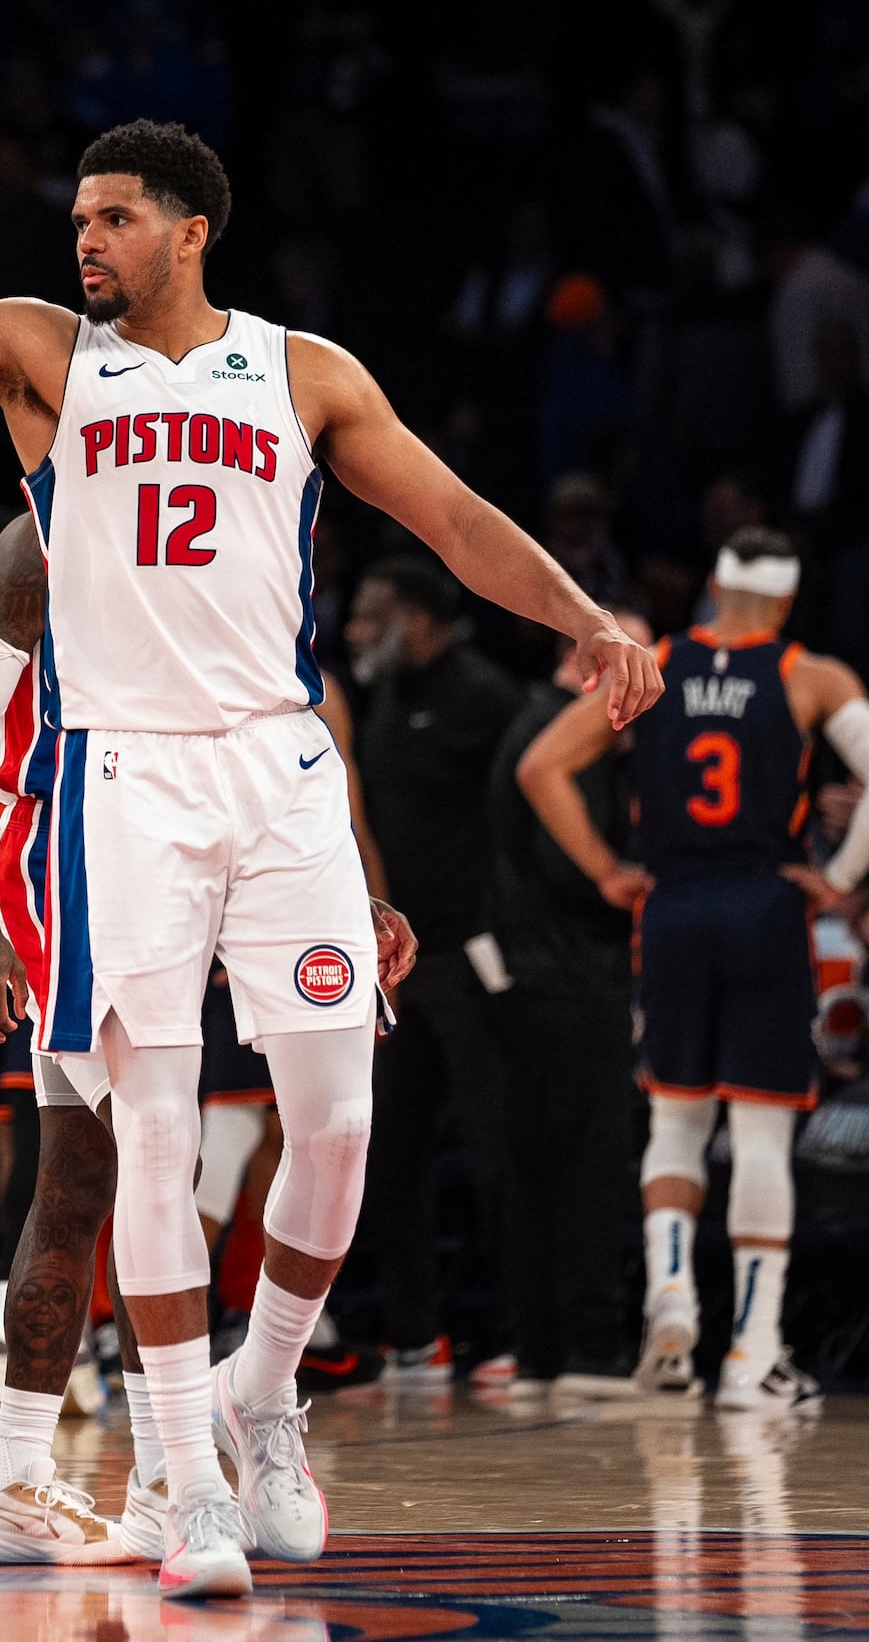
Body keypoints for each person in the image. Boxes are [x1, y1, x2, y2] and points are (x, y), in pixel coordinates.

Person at [0, 0, 660, 1599]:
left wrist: (590, 616)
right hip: (124, 783)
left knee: (333, 1122)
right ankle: (182, 1475)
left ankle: (259, 1400)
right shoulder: (41, 358)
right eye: (77, 218)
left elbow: (455, 525)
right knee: (154, 1136)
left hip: (282, 765)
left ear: (189, 229)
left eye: (112, 218)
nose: (82, 240)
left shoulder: (304, 370)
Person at [0, 548, 415, 1569]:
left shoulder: (211, 529)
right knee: (145, 1144)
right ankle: (157, 1474)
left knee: (91, 1163)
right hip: (63, 859)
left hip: (168, 855)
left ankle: (29, 1474)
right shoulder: (49, 527)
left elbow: (245, 754)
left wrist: (338, 897)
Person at [519, 527, 869, 1411]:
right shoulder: (810, 675)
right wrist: (841, 880)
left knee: (674, 1119)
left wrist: (604, 870)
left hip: (671, 909)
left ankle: (670, 1305)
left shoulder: (651, 663)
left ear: (712, 588)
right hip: (766, 907)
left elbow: (541, 764)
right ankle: (753, 1354)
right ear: (785, 603)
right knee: (765, 1131)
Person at [348, 556, 525, 1385]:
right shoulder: (383, 696)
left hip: (465, 954)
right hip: (392, 965)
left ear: (416, 618)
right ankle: (418, 1335)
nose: (353, 632)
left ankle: (521, 1336)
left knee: (496, 1149)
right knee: (388, 1154)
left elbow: (520, 822)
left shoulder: (486, 696)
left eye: (369, 614)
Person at [482, 616, 654, 1394]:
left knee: (534, 1167)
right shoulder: (559, 742)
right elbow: (566, 868)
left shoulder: (527, 725)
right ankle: (587, 1347)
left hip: (528, 975)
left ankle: (539, 1347)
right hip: (569, 977)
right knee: (584, 1162)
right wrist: (617, 873)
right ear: (589, 663)